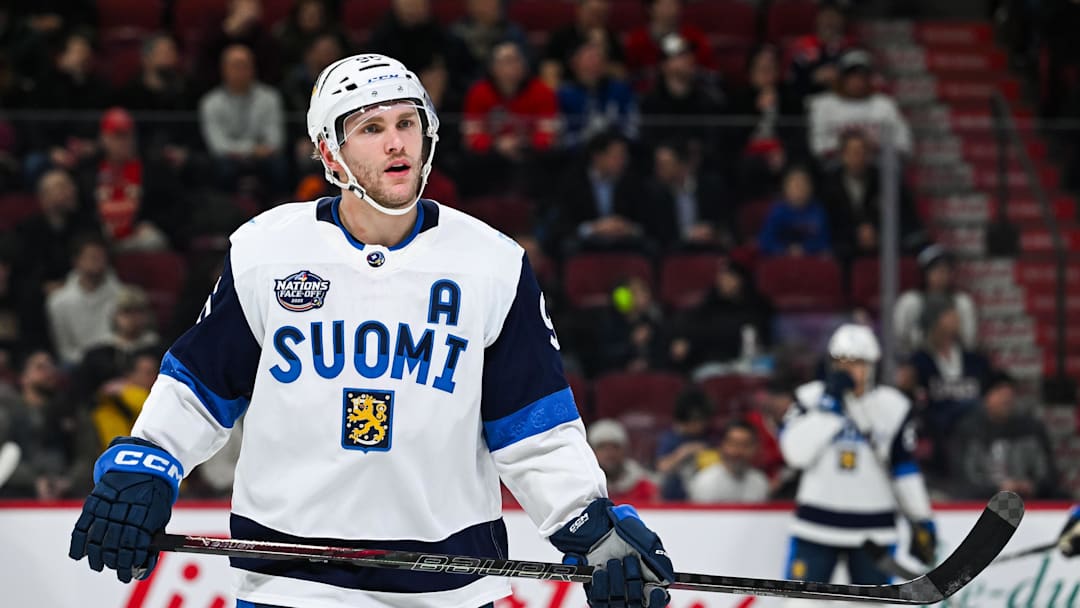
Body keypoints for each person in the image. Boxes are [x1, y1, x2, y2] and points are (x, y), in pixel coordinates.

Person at [68, 53, 675, 608]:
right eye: (371, 128)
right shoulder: (265, 250)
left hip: (448, 588)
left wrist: (589, 523)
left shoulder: (492, 262)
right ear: (330, 154)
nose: (396, 143)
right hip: (291, 584)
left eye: (407, 123)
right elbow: (200, 386)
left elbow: (532, 427)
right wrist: (147, 462)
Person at [780, 324, 937, 586]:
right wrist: (828, 409)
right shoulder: (809, 398)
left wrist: (922, 519)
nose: (848, 369)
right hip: (815, 524)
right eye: (841, 362)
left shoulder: (894, 406)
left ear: (871, 366)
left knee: (870, 606)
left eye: (857, 363)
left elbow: (904, 469)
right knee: (802, 603)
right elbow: (795, 455)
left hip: (874, 529)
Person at [949, 371, 1061, 500]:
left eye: (1009, 395)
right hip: (982, 504)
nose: (1006, 399)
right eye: (1000, 393)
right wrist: (997, 488)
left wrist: (1031, 486)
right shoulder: (968, 431)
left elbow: (1049, 475)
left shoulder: (1032, 429)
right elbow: (964, 479)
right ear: (986, 398)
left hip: (1029, 502)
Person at [686, 420, 769, 503]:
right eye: (733, 444)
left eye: (745, 445)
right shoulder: (704, 482)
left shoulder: (760, 482)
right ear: (721, 445)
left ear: (754, 448)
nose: (738, 451)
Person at [588, 418, 659, 503]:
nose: (609, 454)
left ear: (625, 450)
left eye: (615, 447)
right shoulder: (584, 487)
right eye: (602, 447)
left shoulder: (644, 486)